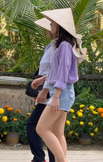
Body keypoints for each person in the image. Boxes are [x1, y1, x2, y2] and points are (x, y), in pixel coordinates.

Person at [34, 8, 86, 162]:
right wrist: (44, 88)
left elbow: (62, 73)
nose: (50, 25)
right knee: (58, 133)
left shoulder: (64, 46)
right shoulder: (61, 45)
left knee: (41, 128)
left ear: (60, 26)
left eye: (52, 22)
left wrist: (55, 96)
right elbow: (54, 73)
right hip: (62, 93)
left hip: (61, 94)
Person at [27, 18, 56, 162]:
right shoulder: (49, 47)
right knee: (47, 127)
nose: (46, 30)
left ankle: (40, 158)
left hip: (52, 90)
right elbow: (44, 70)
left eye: (50, 26)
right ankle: (43, 158)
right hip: (46, 89)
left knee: (38, 125)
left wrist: (43, 90)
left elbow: (56, 72)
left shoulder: (59, 48)